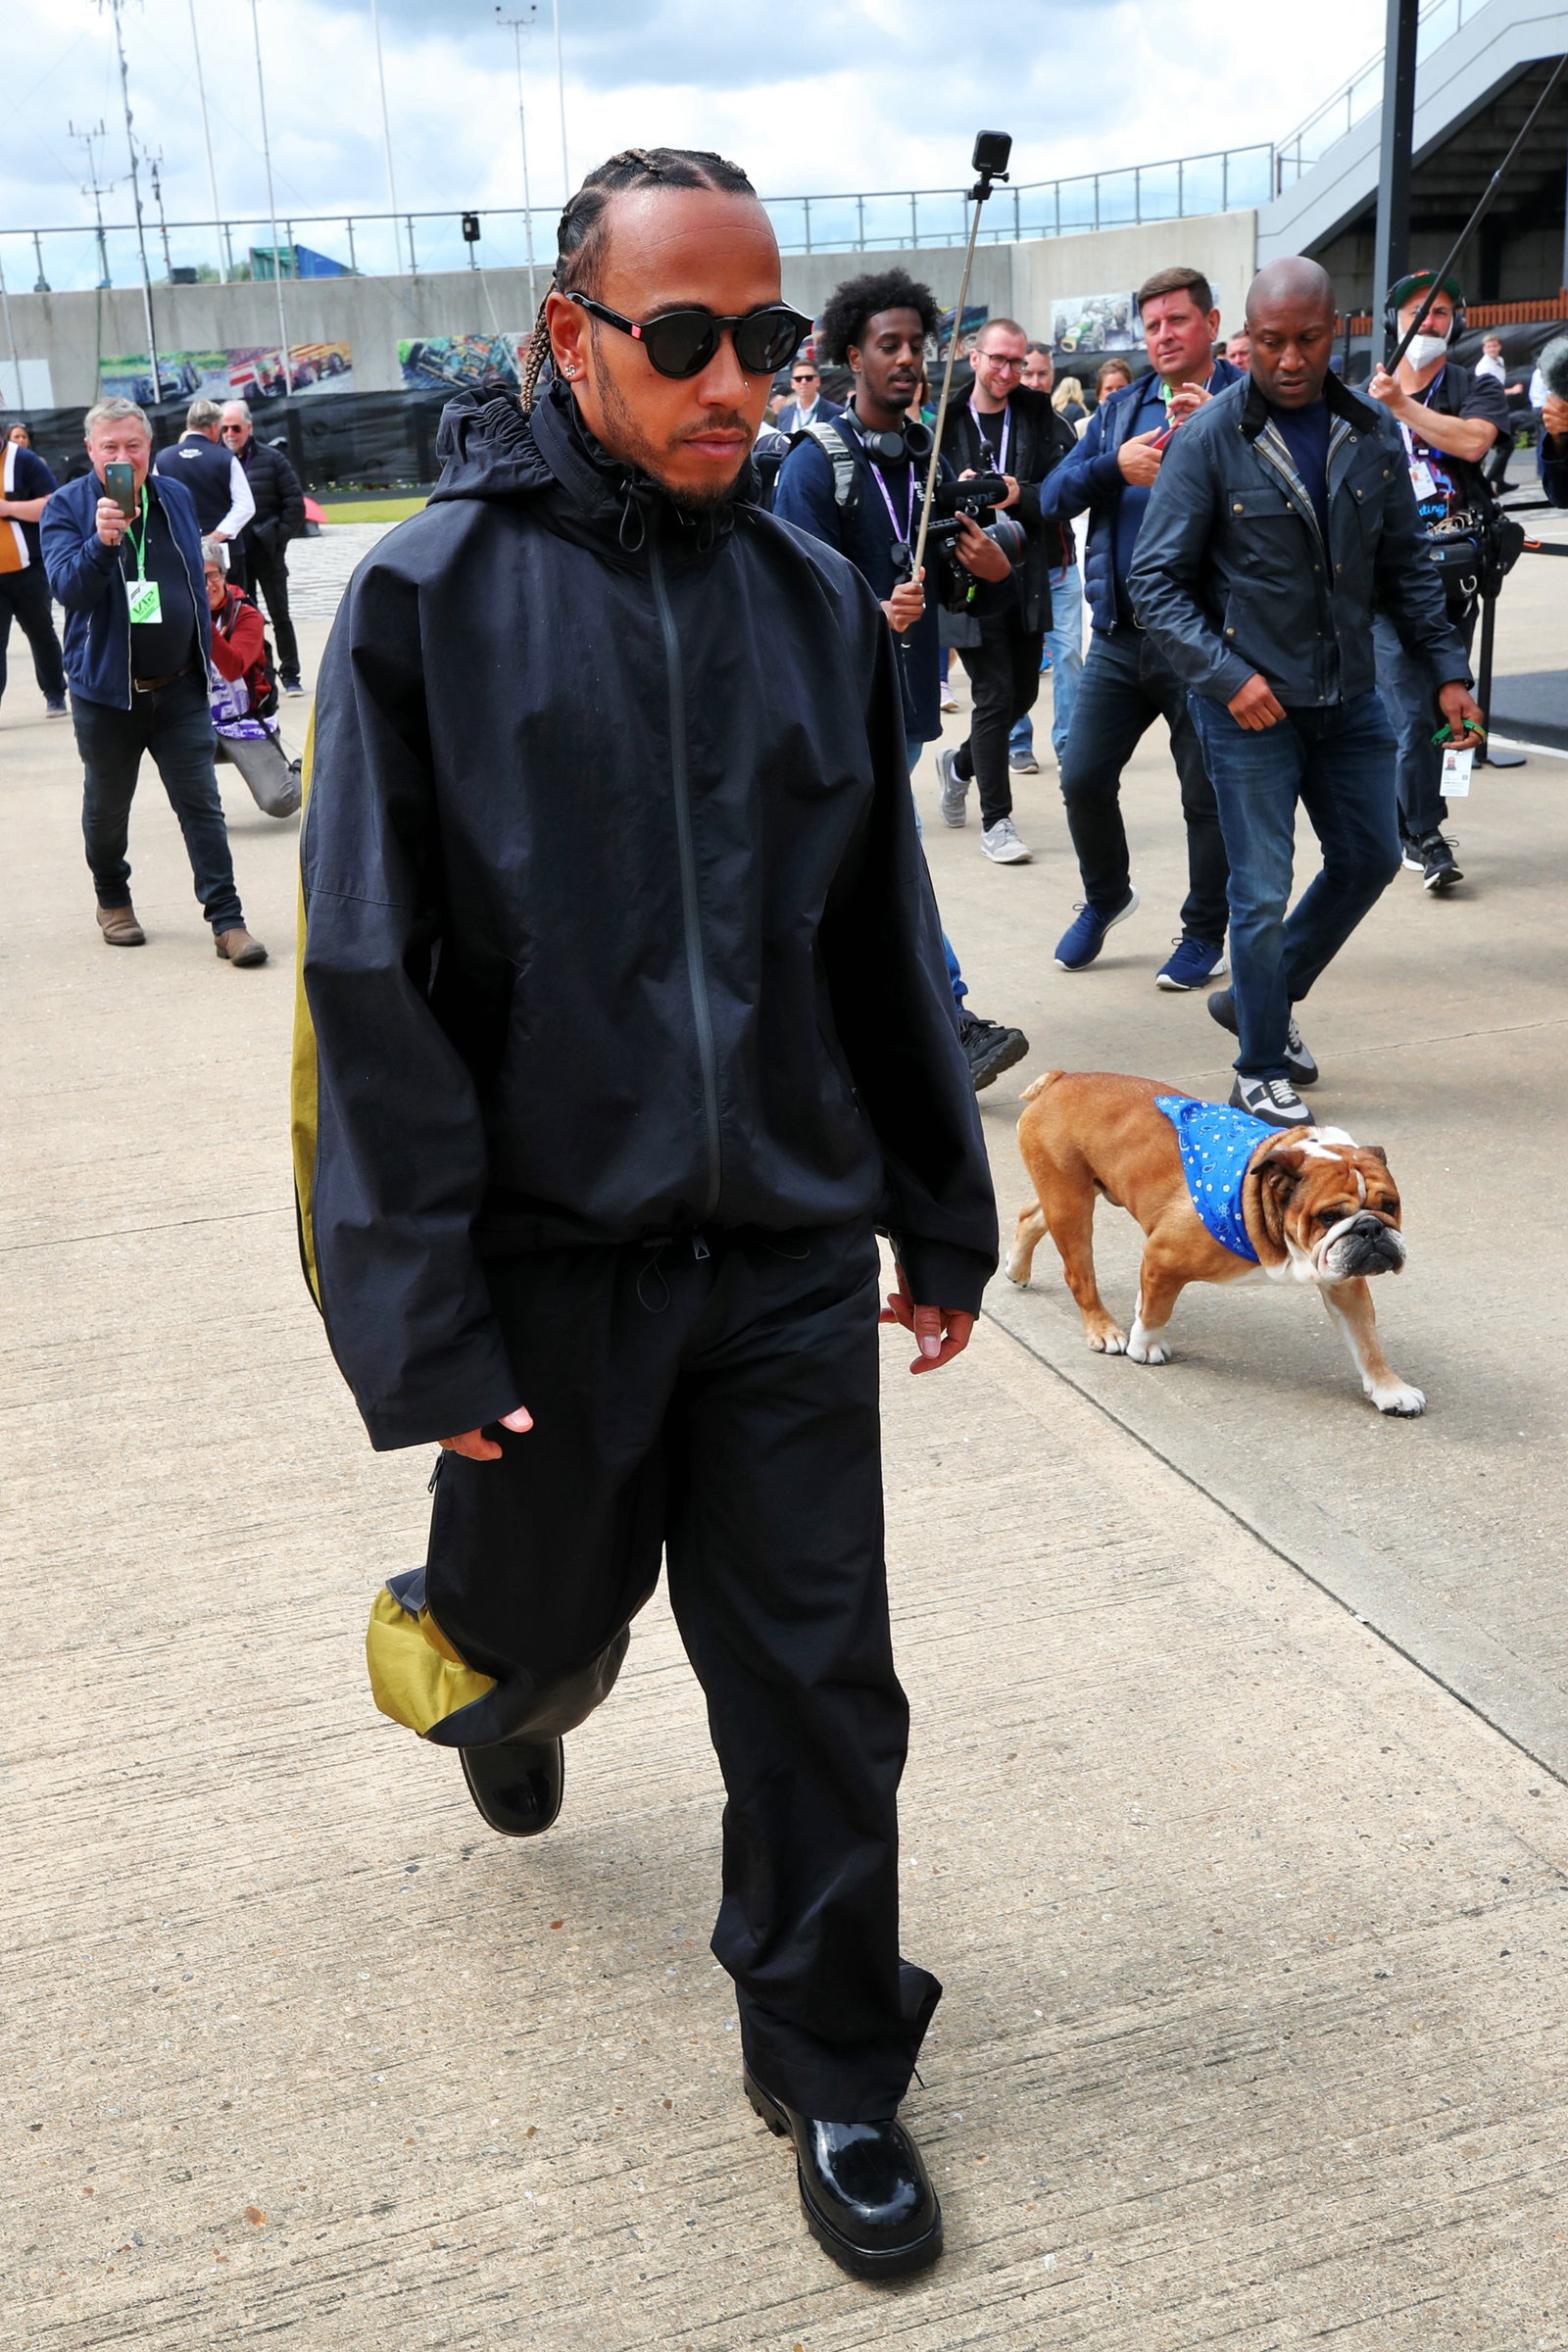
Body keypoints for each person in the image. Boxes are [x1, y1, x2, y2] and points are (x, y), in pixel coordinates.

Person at [294, 145, 997, 2282]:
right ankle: (506, 1700)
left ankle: (831, 2061)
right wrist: (422, 1327)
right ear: (565, 337)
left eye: (763, 340)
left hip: (777, 1252)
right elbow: (366, 990)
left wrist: (931, 1211)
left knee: (812, 1679)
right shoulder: (422, 601)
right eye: (680, 338)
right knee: (514, 1635)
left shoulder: (803, 597)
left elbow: (874, 928)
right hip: (543, 1271)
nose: (733, 383)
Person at [1129, 257, 1479, 1126]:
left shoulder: (1369, 430)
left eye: (1309, 340)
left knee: (1367, 857)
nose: (1290, 360)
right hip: (1249, 707)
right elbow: (1156, 584)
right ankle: (1258, 1059)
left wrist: (1446, 672)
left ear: (1338, 331)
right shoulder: (1209, 438)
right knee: (1259, 890)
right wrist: (1228, 677)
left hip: (1351, 698)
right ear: (1248, 337)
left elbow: (1406, 567)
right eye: (1272, 342)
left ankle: (1261, 995)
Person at [772, 264, 1028, 1092]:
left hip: (910, 701)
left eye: (917, 344)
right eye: (890, 345)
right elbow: (787, 595)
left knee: (860, 869)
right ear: (854, 354)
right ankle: (949, 1020)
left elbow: (960, 565)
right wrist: (868, 617)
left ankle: (839, 1018)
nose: (908, 359)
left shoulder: (926, 456)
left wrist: (989, 563)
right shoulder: (817, 467)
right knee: (895, 856)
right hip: (844, 705)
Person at [1039, 266, 1240, 985]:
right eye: (1152, 325)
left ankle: (1202, 933)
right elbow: (1051, 498)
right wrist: (1112, 469)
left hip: (1204, 642)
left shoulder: (1246, 405)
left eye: (1177, 321)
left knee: (1204, 799)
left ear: (1210, 325)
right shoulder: (1119, 411)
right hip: (1122, 639)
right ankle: (1106, 896)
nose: (1164, 336)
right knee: (1083, 776)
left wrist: (1218, 423)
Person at [40, 398, 267, 964]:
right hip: (107, 694)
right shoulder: (67, 507)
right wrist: (103, 541)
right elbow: (68, 590)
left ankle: (227, 920)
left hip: (181, 686)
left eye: (132, 446)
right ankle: (112, 898)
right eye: (110, 447)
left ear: (149, 448)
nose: (123, 456)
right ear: (91, 451)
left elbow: (193, 578)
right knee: (108, 807)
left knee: (202, 806)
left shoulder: (175, 498)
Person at [1365, 271, 1507, 891]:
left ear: (1457, 321)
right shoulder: (1356, 397)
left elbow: (1474, 444)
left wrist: (1402, 406)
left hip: (1456, 581)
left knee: (1446, 706)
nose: (1428, 321)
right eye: (1416, 311)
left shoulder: (1473, 385)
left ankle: (1411, 822)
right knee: (1408, 710)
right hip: (1382, 582)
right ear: (1392, 321)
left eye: (1441, 311)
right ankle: (1424, 837)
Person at [934, 316, 1060, 863]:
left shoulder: (1038, 414)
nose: (1008, 371)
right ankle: (998, 822)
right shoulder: (945, 416)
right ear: (974, 357)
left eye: (1017, 362)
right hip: (966, 576)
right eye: (998, 360)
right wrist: (951, 494)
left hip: (1025, 573)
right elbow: (923, 494)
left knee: (1025, 694)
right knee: (992, 695)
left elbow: (1061, 490)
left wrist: (1014, 494)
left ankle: (959, 765)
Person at [993, 339, 1083, 780]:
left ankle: (1068, 744)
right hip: (1010, 569)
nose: (1031, 381)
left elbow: (1072, 497)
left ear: (1052, 377)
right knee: (1016, 667)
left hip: (1059, 565)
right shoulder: (990, 424)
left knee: (1067, 657)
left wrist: (1027, 495)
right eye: (1025, 373)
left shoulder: (1062, 426)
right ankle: (1017, 742)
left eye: (1040, 374)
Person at [202, 536, 302, 817]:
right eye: (196, 578)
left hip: (245, 721)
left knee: (278, 801)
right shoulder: (180, 611)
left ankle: (315, 771)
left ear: (223, 575)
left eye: (211, 575)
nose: (206, 585)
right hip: (199, 722)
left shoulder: (247, 615)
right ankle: (203, 809)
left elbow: (233, 667)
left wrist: (202, 622)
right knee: (168, 747)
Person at [220, 401, 307, 694]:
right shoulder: (219, 461)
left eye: (235, 427)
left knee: (280, 613)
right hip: (235, 554)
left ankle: (291, 672)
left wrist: (278, 538)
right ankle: (263, 672)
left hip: (267, 551)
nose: (230, 433)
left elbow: (294, 504)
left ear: (249, 427)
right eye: (225, 428)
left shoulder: (273, 460)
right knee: (247, 615)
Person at [0, 421, 69, 716]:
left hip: (29, 569)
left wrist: (9, 509)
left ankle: (55, 692)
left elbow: (53, 504)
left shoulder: (23, 460)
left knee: (41, 632)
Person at [152, 396, 256, 547]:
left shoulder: (163, 458)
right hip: (224, 549)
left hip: (180, 546)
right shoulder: (226, 458)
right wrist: (214, 537)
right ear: (214, 427)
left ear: (189, 424)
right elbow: (245, 506)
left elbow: (157, 503)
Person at [774, 356, 839, 435]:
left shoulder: (834, 413)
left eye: (809, 378)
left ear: (818, 381)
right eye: (798, 379)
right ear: (792, 383)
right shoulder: (784, 412)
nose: (803, 382)